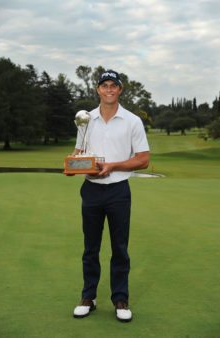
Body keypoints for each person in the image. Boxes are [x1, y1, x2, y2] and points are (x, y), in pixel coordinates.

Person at [72, 69, 150, 322]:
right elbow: (79, 152)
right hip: (91, 190)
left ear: (120, 90)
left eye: (113, 85)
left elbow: (143, 160)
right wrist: (73, 165)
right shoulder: (85, 119)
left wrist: (113, 166)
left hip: (118, 190)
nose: (108, 89)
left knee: (119, 248)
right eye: (104, 85)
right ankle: (88, 297)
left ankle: (120, 299)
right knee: (90, 247)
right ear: (98, 89)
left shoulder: (132, 121)